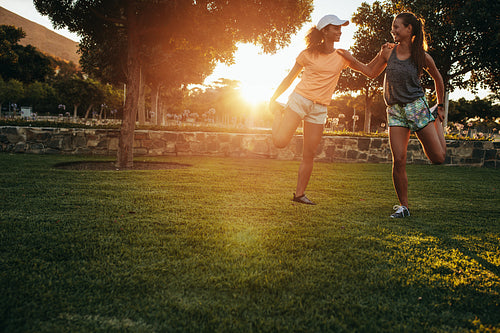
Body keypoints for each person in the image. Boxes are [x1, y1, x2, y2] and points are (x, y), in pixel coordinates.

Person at [338, 12, 446, 218]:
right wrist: (351, 59)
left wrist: (440, 106)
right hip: (395, 110)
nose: (393, 30)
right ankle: (404, 207)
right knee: (399, 159)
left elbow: (438, 79)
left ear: (409, 30)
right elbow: (370, 71)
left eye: (397, 27)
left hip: (417, 107)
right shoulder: (388, 52)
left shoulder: (421, 56)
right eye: (392, 27)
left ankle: (436, 122)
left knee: (438, 158)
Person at [270, 14, 387, 205]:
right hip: (299, 100)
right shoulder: (307, 54)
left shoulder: (342, 57)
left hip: (320, 108)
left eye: (341, 28)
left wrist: (383, 56)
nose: (340, 31)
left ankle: (299, 195)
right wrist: (273, 99)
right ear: (325, 31)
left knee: (309, 152)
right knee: (280, 142)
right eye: (336, 28)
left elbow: (370, 72)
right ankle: (278, 113)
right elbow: (289, 78)